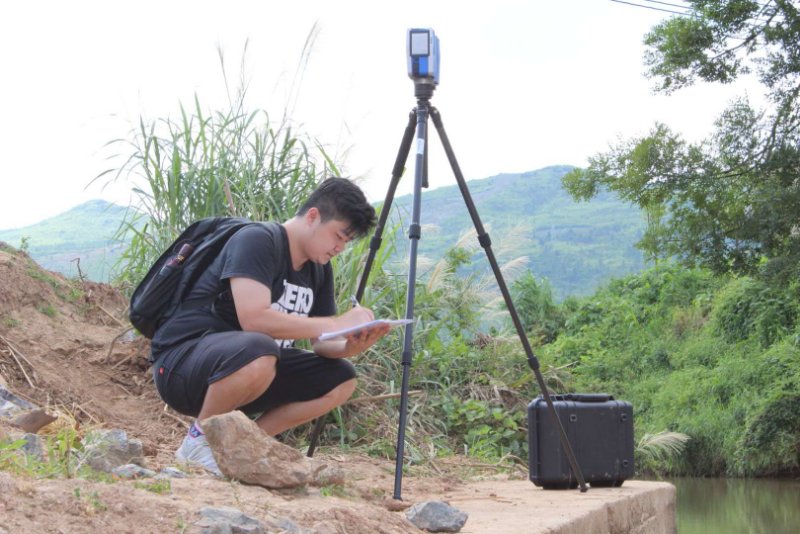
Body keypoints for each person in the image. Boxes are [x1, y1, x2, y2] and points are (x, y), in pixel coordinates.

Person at [149, 177, 390, 475]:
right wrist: (336, 322)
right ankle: (199, 443)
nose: (340, 247)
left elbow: (322, 342)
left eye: (346, 242)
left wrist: (349, 345)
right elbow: (254, 319)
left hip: (253, 370)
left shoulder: (318, 269)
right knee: (260, 347)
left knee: (341, 378)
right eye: (338, 236)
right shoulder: (258, 240)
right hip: (183, 367)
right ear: (313, 216)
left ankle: (243, 447)